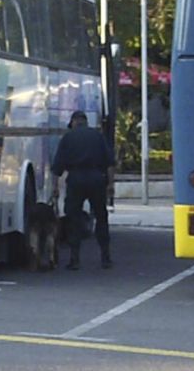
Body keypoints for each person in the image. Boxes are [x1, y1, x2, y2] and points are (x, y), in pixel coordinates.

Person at [52, 111, 115, 270]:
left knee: (73, 219)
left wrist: (55, 188)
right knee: (101, 217)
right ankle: (105, 257)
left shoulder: (68, 138)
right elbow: (109, 163)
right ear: (86, 122)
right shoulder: (98, 136)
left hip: (76, 179)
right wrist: (110, 185)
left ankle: (75, 259)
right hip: (96, 179)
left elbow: (57, 167)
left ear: (73, 122)